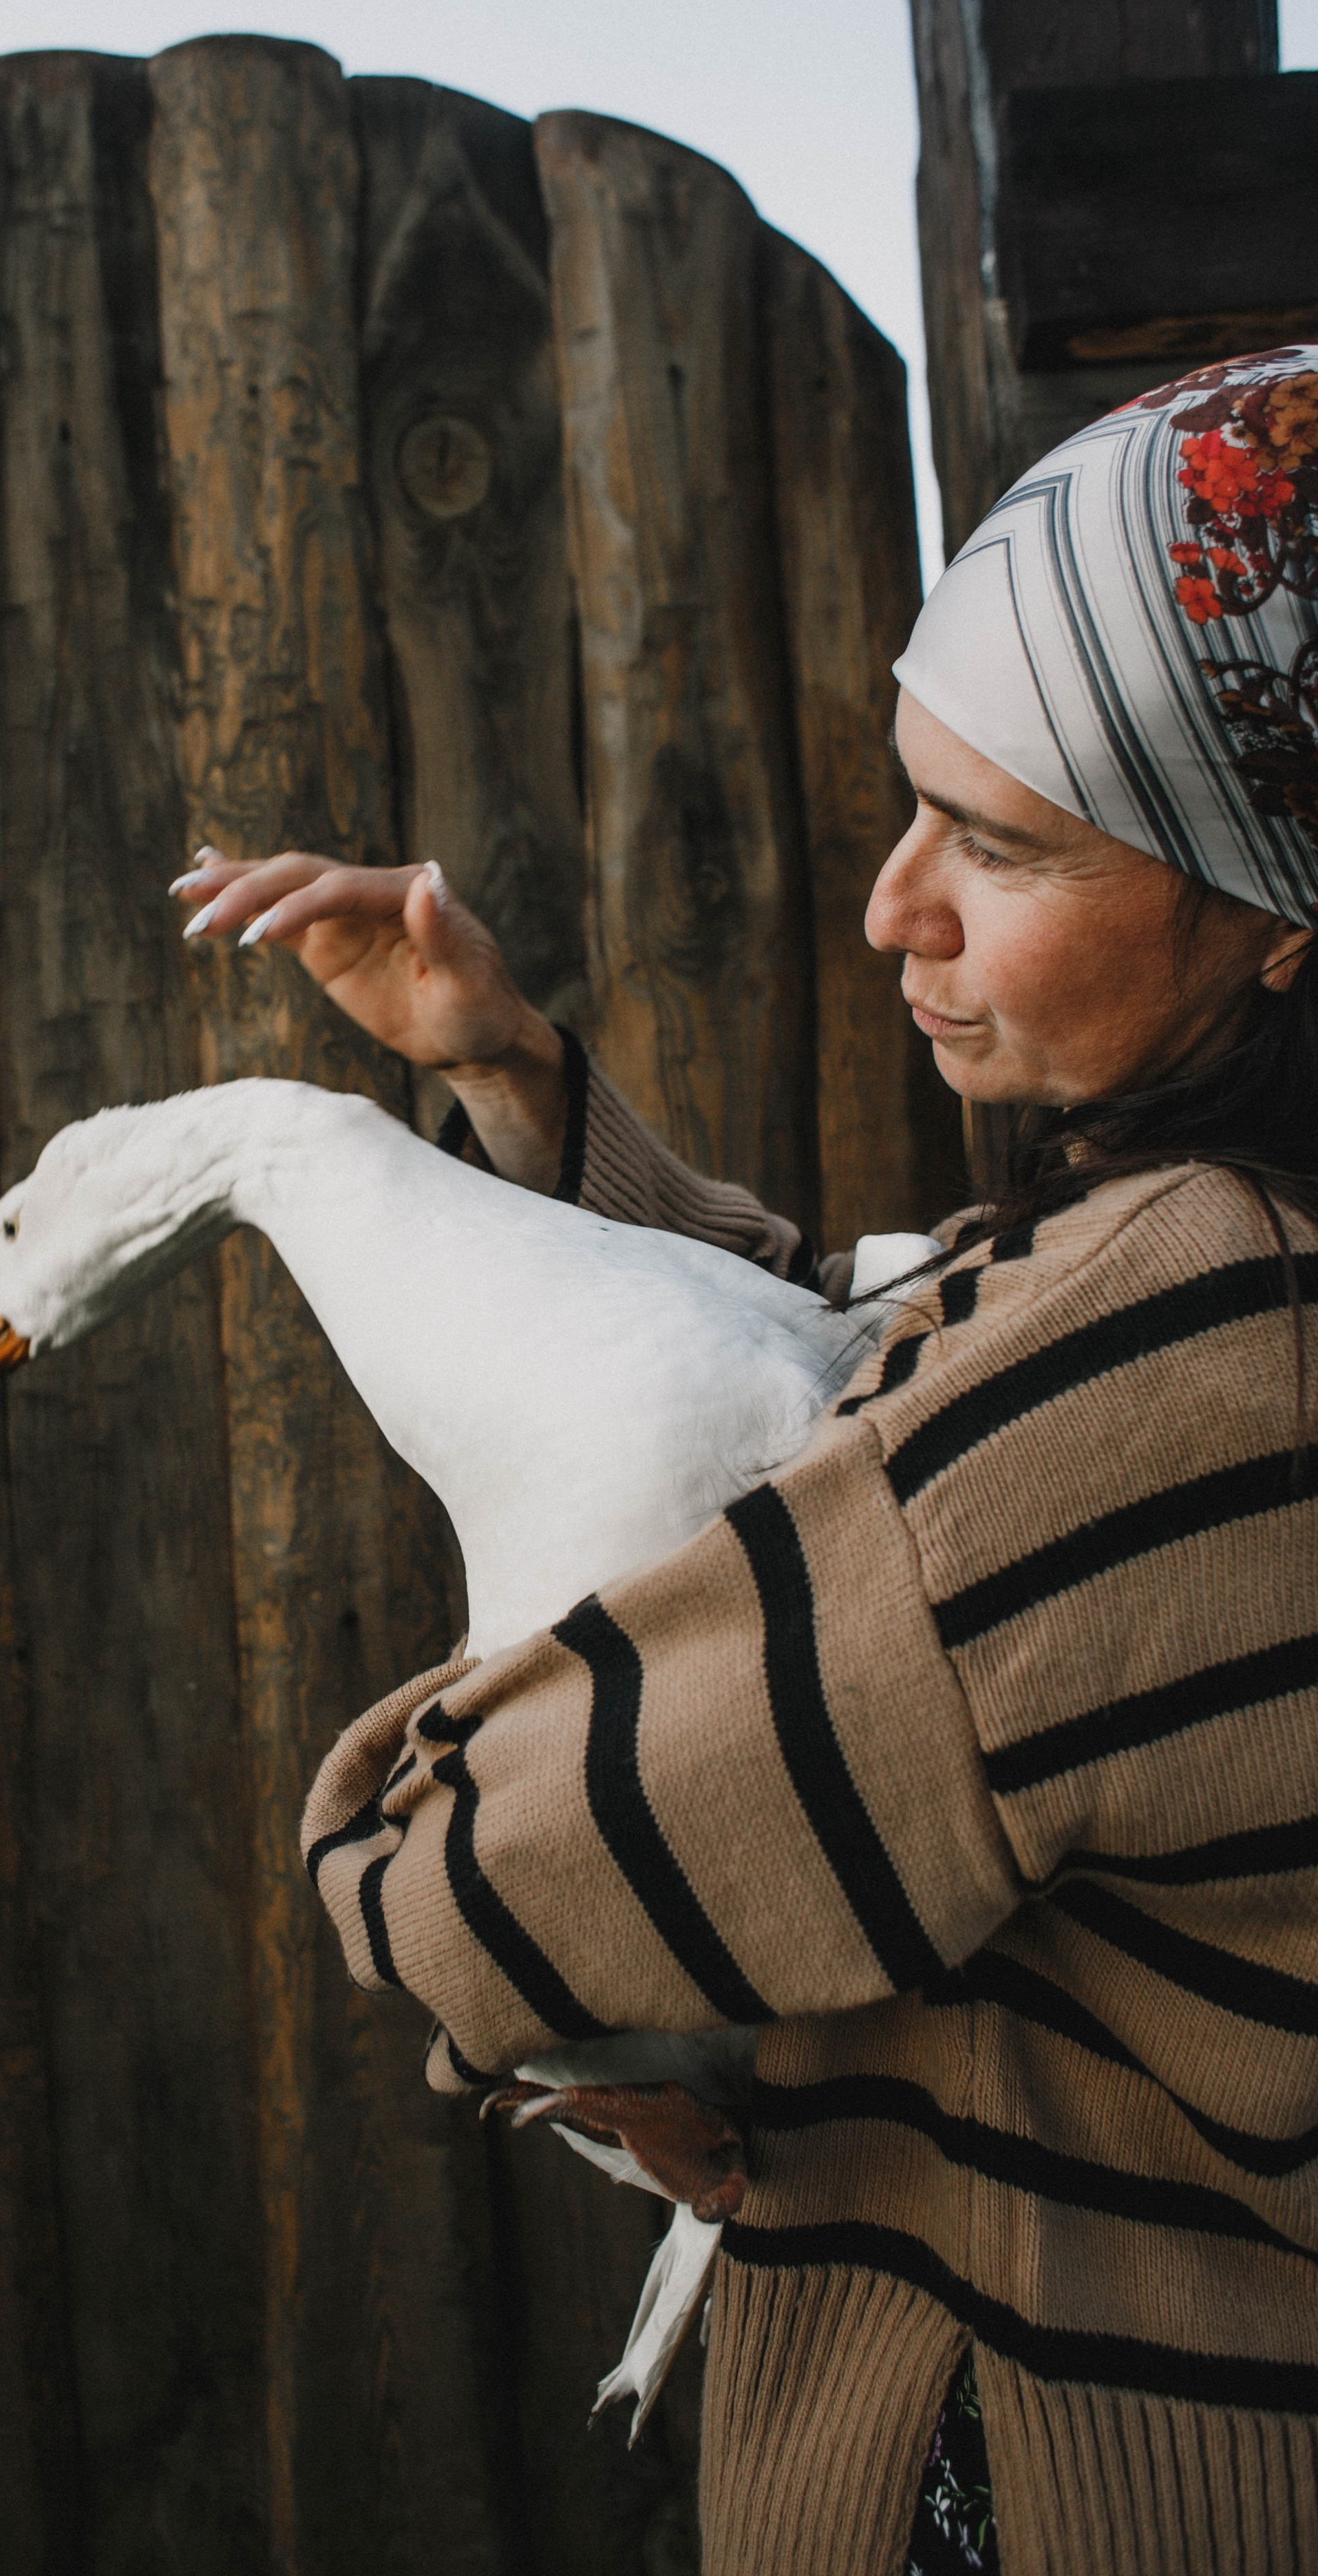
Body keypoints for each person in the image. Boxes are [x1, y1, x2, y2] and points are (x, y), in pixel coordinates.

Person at [171, 348, 1318, 2575]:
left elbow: (478, 1890)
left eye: (1002, 843)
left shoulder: (1193, 1341)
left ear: (1283, 912)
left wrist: (576, 1975)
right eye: (915, 804)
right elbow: (892, 1382)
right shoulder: (1202, 1277)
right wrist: (519, 1082)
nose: (897, 905)